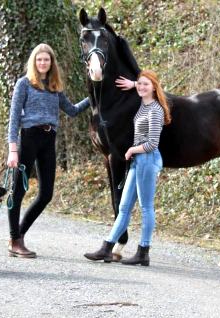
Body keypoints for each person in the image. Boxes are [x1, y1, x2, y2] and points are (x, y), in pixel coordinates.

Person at [6, 43, 90, 258]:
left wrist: (94, 98)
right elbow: (14, 118)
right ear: (34, 62)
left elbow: (71, 111)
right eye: (39, 59)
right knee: (19, 191)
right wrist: (12, 150)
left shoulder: (55, 87)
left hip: (48, 139)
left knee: (46, 194)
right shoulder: (24, 84)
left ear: (52, 63)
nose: (43, 63)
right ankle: (15, 241)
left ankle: (19, 234)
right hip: (29, 137)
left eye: (47, 59)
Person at [84, 70, 171, 266]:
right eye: (140, 84)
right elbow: (141, 87)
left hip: (147, 159)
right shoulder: (143, 103)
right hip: (139, 161)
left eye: (146, 85)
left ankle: (143, 251)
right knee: (123, 207)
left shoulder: (155, 110)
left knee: (146, 207)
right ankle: (107, 248)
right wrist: (135, 84)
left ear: (154, 88)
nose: (141, 87)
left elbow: (152, 143)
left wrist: (132, 149)